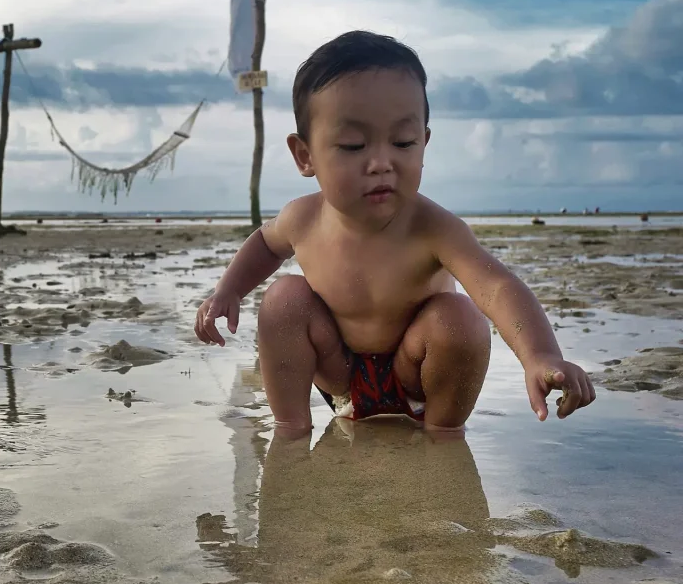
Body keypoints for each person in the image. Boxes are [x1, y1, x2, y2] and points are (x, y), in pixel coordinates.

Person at [195, 31, 595, 438]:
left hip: (417, 376)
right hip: (340, 375)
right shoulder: (302, 219)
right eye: (353, 145)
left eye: (403, 142)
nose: (381, 163)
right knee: (283, 298)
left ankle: (443, 435)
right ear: (305, 156)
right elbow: (265, 244)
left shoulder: (434, 227)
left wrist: (540, 355)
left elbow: (495, 287)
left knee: (460, 318)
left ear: (424, 142)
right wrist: (228, 290)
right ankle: (290, 428)